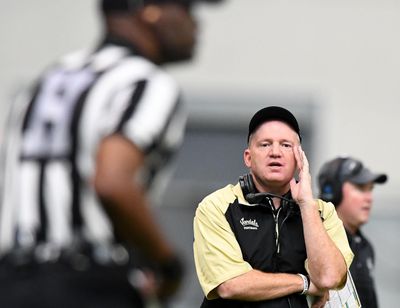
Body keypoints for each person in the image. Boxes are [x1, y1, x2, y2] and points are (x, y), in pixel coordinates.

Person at [0, 0, 222, 307]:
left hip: (12, 282)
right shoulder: (144, 83)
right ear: (149, 9)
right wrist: (167, 264)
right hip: (90, 285)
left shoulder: (45, 81)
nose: (195, 24)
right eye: (185, 9)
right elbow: (113, 182)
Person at [193, 106, 354, 308]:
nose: (275, 152)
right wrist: (303, 283)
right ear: (248, 157)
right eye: (265, 144)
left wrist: (306, 205)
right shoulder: (216, 207)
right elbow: (230, 284)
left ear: (300, 158)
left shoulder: (322, 212)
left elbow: (330, 277)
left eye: (286, 145)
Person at [318, 156, 387, 308]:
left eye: (370, 189)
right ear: (332, 192)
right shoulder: (314, 242)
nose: (369, 198)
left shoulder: (365, 246)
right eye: (361, 188)